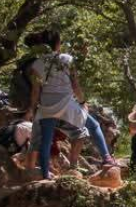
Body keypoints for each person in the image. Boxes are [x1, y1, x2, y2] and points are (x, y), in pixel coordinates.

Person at [22, 30, 115, 179]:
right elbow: (75, 86)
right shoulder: (67, 59)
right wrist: (83, 102)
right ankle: (107, 158)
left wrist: (33, 110)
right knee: (94, 125)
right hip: (66, 105)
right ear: (58, 44)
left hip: (46, 107)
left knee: (46, 141)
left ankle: (45, 175)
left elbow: (35, 91)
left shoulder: (37, 64)